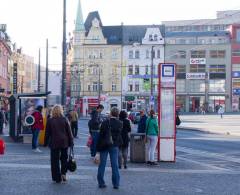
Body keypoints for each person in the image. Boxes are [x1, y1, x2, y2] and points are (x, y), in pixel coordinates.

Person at [44, 105, 74, 183]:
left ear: (52, 111)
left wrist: (45, 143)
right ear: (61, 111)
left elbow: (47, 133)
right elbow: (69, 132)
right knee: (64, 159)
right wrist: (71, 142)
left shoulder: (50, 120)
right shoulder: (65, 119)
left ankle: (57, 178)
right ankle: (63, 174)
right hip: (64, 142)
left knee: (54, 161)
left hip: (54, 143)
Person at [96, 107, 123, 189]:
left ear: (110, 113)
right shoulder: (120, 123)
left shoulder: (104, 122)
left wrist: (97, 150)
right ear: (118, 114)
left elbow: (100, 136)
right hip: (114, 146)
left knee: (102, 164)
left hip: (104, 145)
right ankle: (116, 184)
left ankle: (101, 183)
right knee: (114, 165)